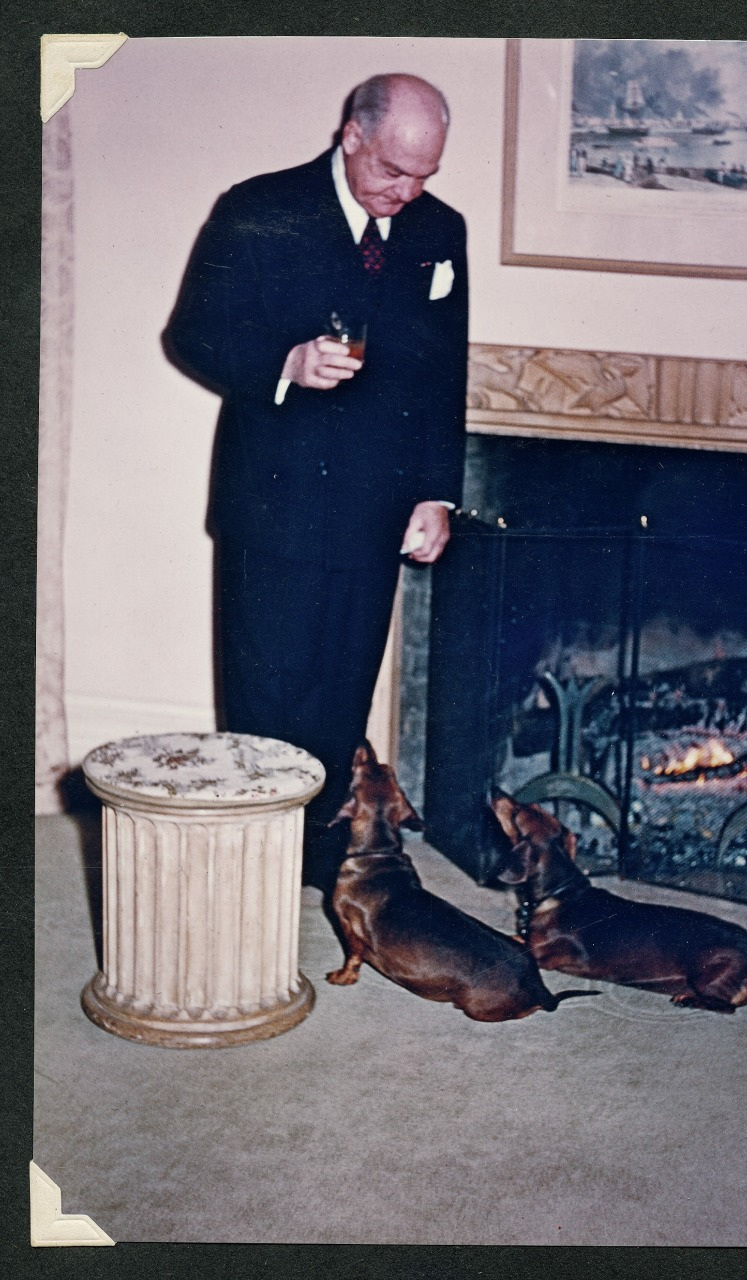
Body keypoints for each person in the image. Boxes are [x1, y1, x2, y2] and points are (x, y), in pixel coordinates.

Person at [164, 74, 468, 886]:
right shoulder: (260, 207)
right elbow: (190, 333)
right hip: (275, 504)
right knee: (268, 701)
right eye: (392, 172)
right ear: (351, 138)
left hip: (377, 510)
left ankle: (319, 872)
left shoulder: (441, 232)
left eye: (423, 175)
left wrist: (438, 492)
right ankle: (252, 868)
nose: (407, 191)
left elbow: (444, 373)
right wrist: (283, 363)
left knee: (341, 701)